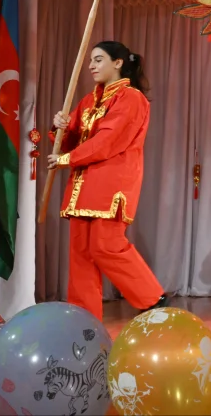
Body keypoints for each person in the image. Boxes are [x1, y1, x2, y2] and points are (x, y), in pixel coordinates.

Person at [48, 41, 166, 320]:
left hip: (111, 183)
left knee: (105, 245)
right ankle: (84, 320)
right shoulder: (88, 101)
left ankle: (152, 298)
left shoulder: (131, 98)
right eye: (91, 60)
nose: (91, 65)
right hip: (82, 184)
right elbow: (72, 141)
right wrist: (61, 128)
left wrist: (67, 160)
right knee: (81, 256)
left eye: (98, 59)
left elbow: (108, 141)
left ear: (118, 63)